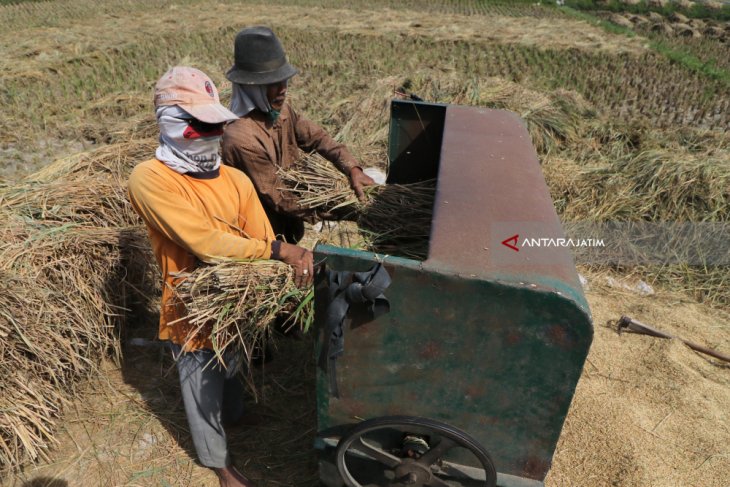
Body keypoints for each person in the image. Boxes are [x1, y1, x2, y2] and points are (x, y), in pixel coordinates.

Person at [127, 66, 313, 487]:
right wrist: (277, 252)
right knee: (201, 384)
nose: (211, 133)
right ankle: (219, 463)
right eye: (200, 124)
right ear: (171, 123)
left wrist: (279, 276)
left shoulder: (234, 180)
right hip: (191, 302)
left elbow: (260, 235)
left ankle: (238, 415)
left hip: (237, 297)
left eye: (216, 124)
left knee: (235, 361)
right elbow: (204, 242)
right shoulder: (150, 179)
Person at [222, 26, 375, 244]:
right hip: (260, 240)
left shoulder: (281, 110)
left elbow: (319, 138)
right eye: (273, 83)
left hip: (289, 229)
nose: (283, 89)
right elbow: (279, 198)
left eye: (284, 80)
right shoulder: (240, 138)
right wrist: (347, 211)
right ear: (251, 87)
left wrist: (353, 169)